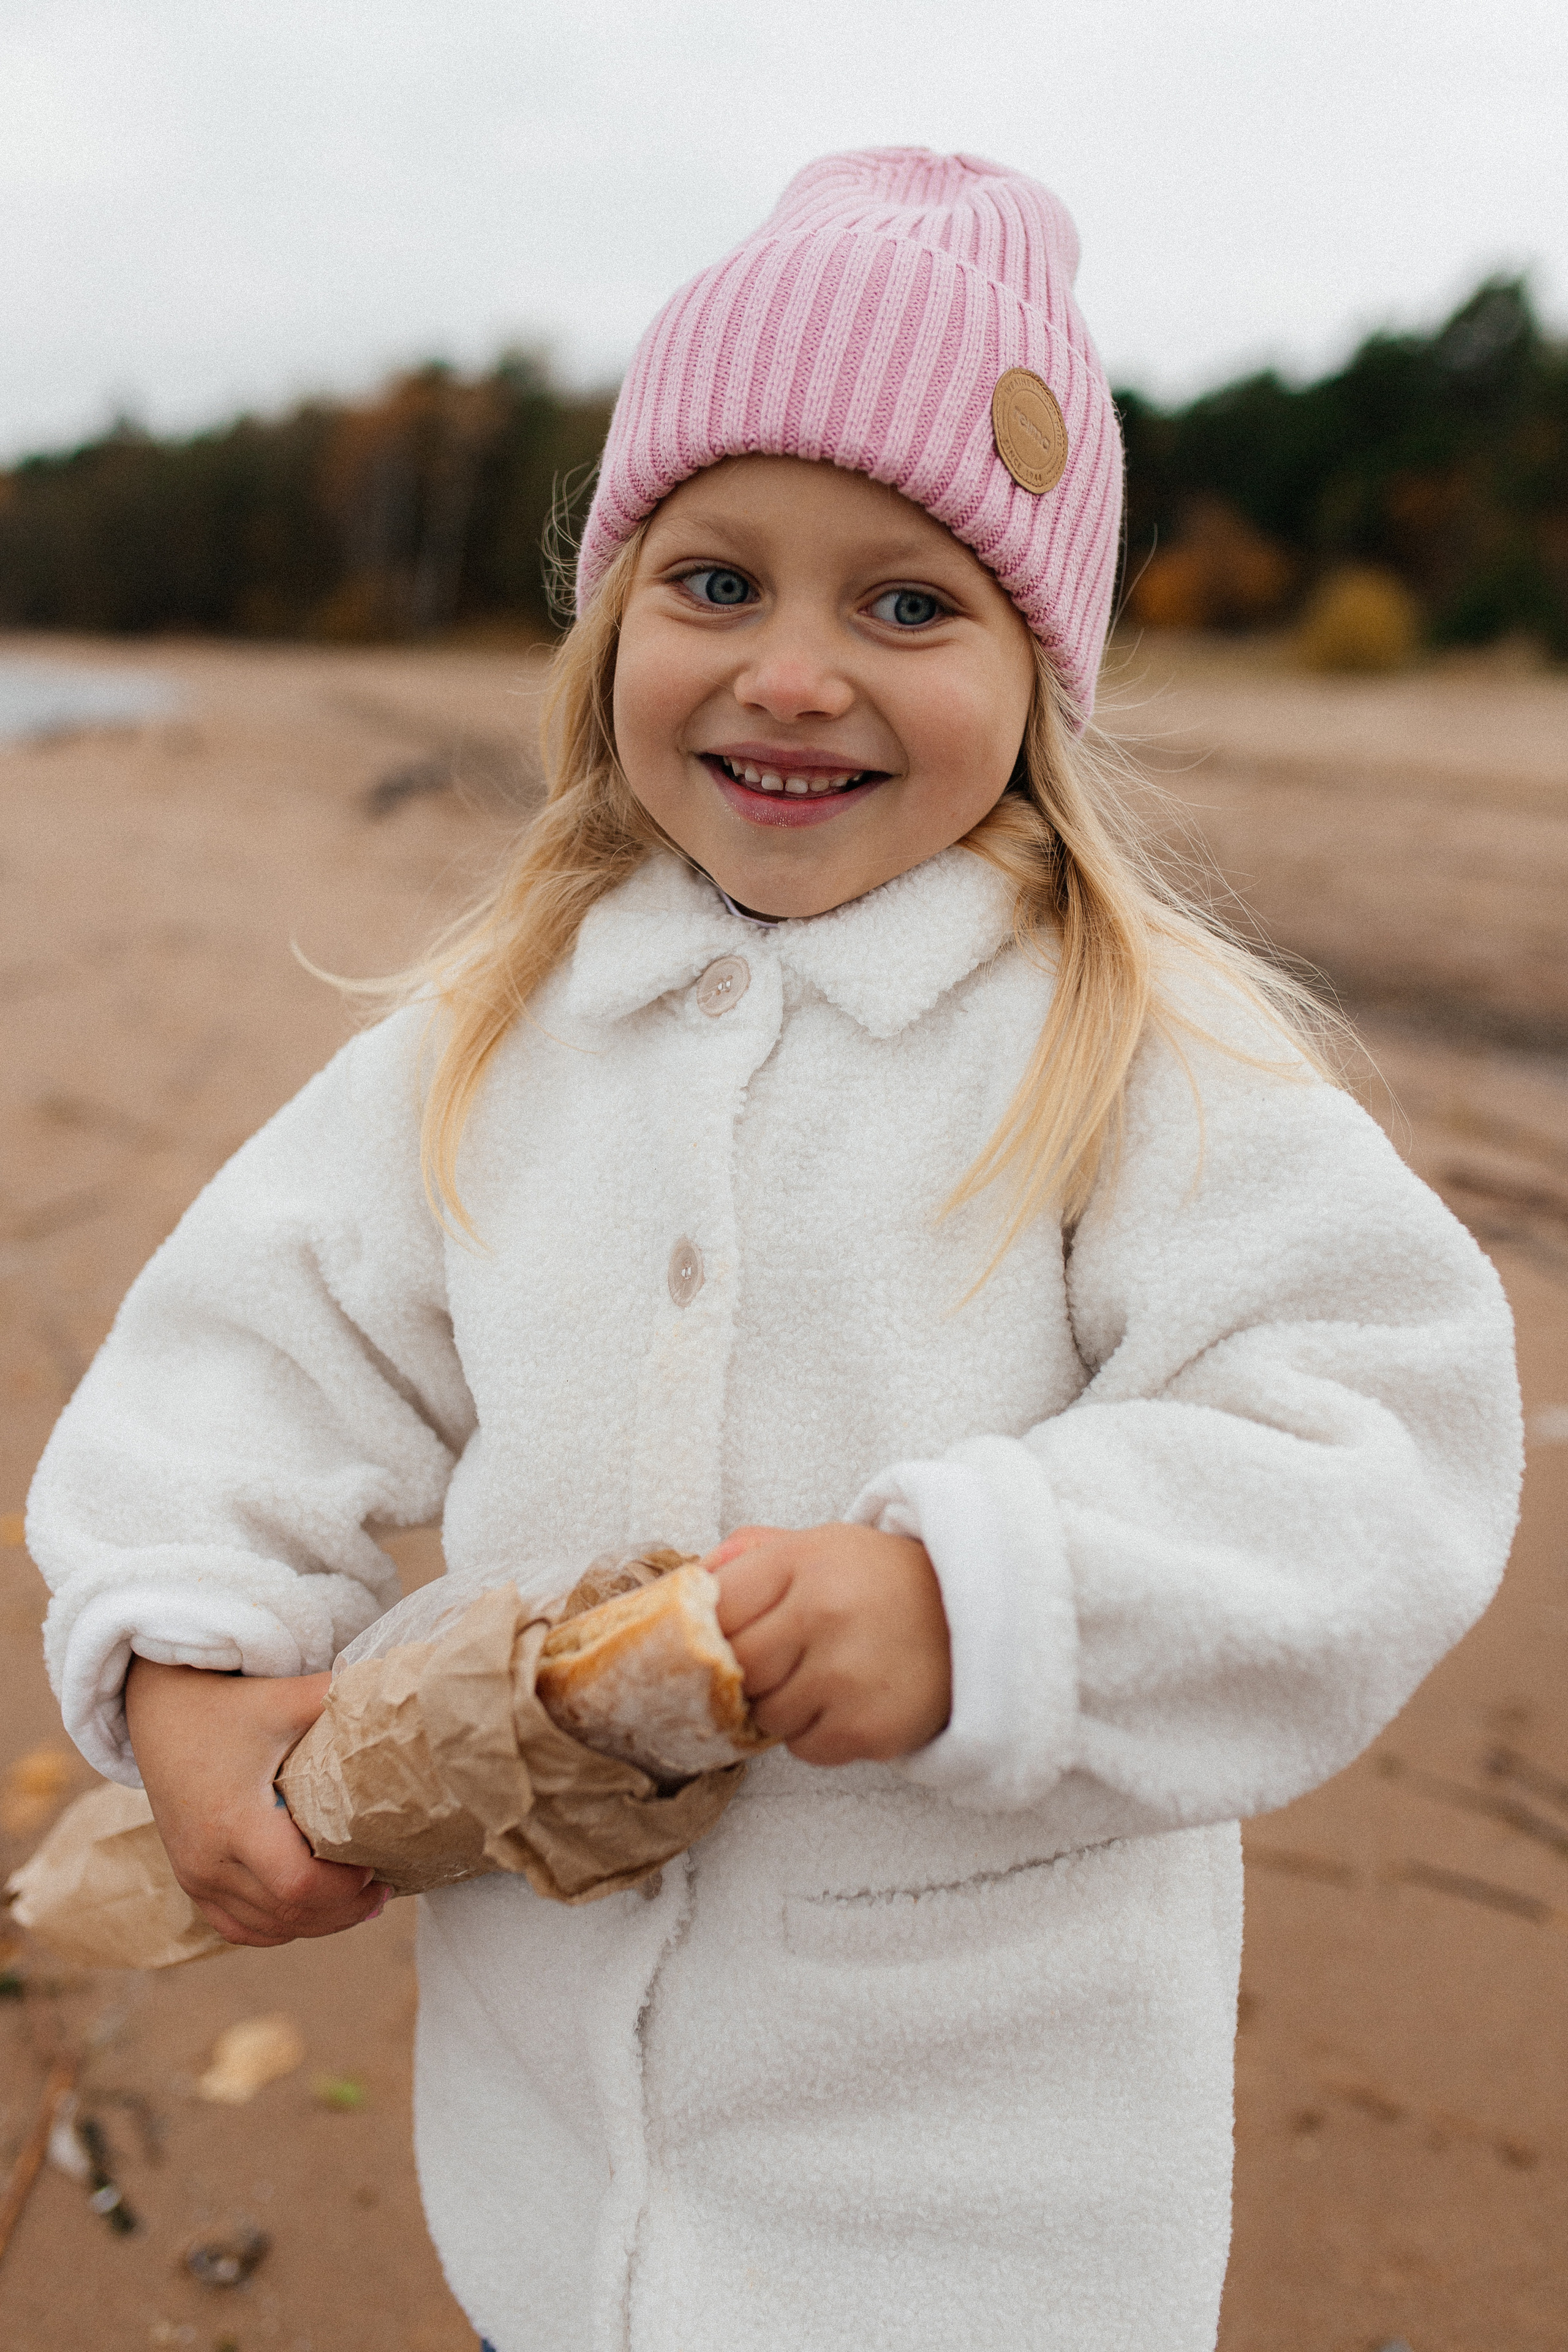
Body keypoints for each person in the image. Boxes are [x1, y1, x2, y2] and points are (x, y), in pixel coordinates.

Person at [28, 149, 1520, 2352]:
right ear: (613, 616)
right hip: (556, 2160)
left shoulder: (1129, 1054)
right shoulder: (497, 1037)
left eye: (908, 607)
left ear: (1042, 667)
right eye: (715, 581)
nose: (793, 674)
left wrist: (993, 1595)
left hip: (982, 2195)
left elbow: (1375, 1434)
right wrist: (184, 1662)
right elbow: (262, 1347)